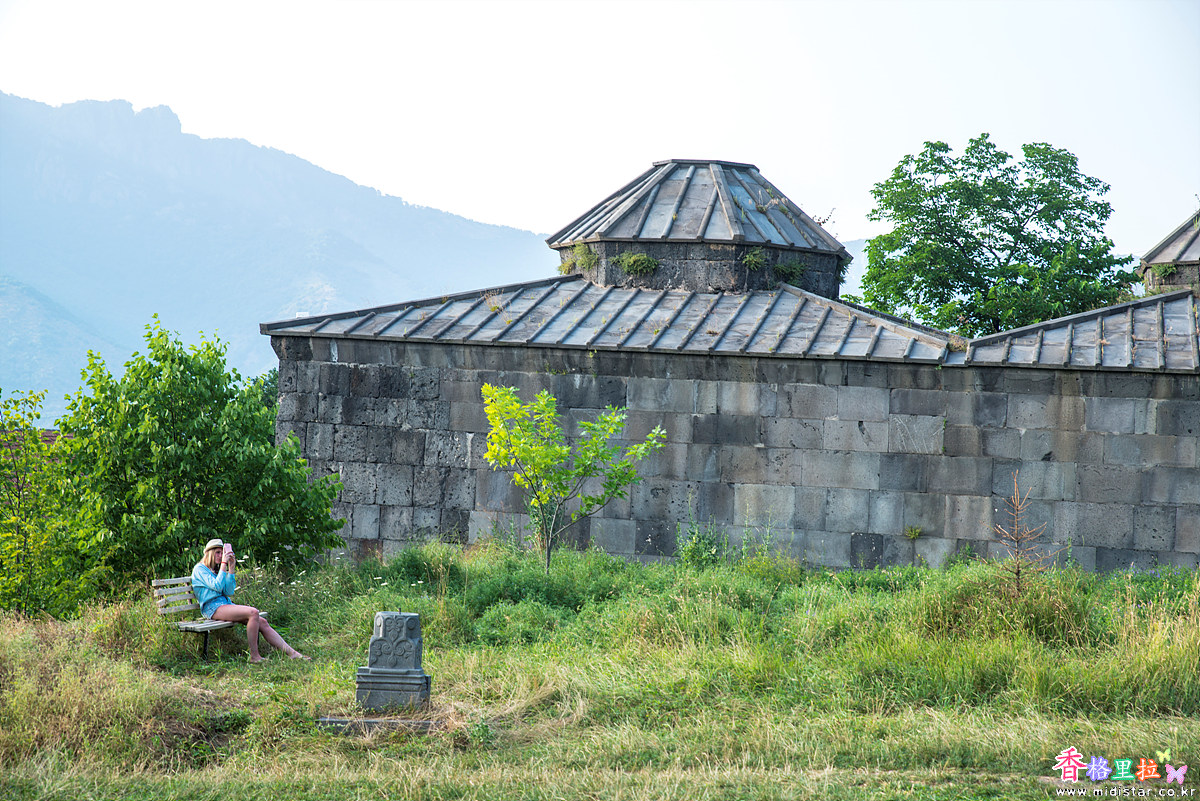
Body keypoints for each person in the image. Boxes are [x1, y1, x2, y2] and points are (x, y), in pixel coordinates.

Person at [191, 538, 309, 662]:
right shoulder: (200, 569)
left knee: (262, 622)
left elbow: (229, 591)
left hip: (224, 605)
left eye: (222, 553)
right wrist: (224, 565)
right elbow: (217, 586)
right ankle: (254, 656)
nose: (221, 556)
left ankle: (292, 653)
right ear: (209, 553)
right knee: (253, 612)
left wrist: (231, 568)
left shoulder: (216, 570)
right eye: (218, 553)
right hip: (212, 608)